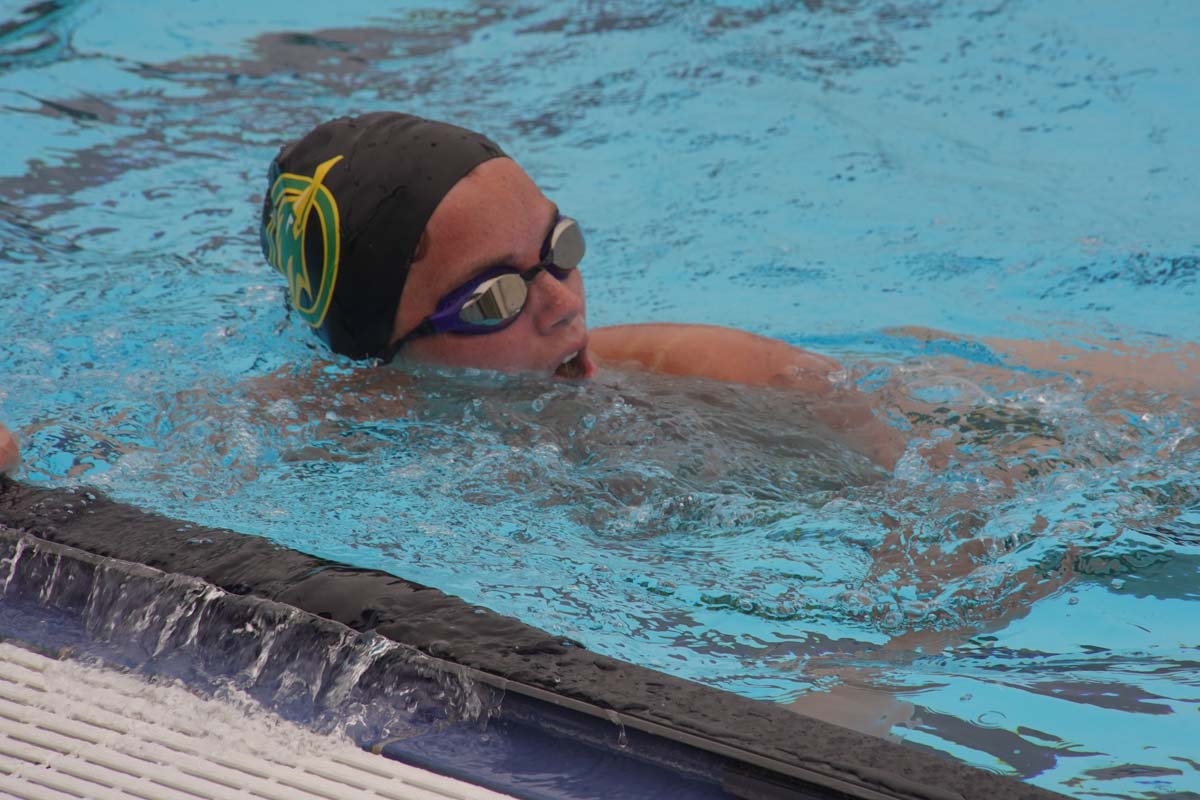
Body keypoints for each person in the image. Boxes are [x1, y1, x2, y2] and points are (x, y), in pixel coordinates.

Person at [259, 111, 902, 466]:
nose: (564, 305)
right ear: (381, 368)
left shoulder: (711, 376)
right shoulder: (305, 444)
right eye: (493, 299)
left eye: (559, 248)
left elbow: (947, 463)